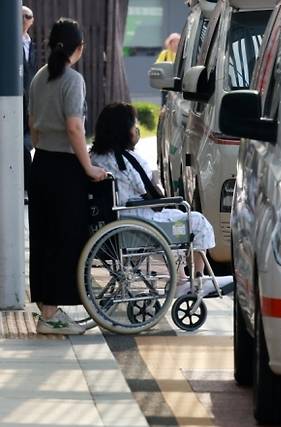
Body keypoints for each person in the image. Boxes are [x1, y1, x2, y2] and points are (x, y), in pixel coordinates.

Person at [29, 18, 107, 335]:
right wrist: (88, 167)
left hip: (42, 164)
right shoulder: (72, 80)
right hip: (64, 169)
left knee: (43, 238)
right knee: (65, 238)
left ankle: (47, 310)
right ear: (79, 48)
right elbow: (75, 128)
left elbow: (33, 125)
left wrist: (42, 144)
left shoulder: (38, 77)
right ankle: (51, 314)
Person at [90, 103, 215, 278]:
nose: (136, 130)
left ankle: (181, 278)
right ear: (124, 130)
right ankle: (196, 278)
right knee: (197, 222)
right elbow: (147, 191)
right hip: (140, 223)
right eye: (134, 126)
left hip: (114, 223)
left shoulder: (95, 157)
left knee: (174, 220)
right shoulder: (128, 160)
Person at [22, 6, 36, 198]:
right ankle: (28, 184)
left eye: (28, 16)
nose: (24, 19)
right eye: (21, 16)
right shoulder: (10, 40)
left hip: (31, 100)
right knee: (22, 144)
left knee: (27, 141)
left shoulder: (33, 44)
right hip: (15, 99)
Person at [156, 33, 180, 105]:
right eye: (173, 42)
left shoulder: (182, 54)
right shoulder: (164, 54)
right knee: (165, 106)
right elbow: (158, 66)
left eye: (177, 41)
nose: (175, 44)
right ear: (170, 43)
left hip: (178, 85)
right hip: (166, 85)